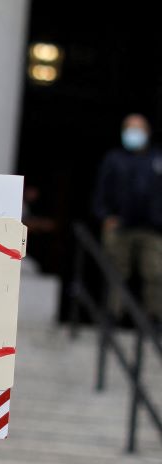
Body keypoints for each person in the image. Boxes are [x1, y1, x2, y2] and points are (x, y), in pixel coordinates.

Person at [92, 113, 162, 320]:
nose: (134, 133)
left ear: (147, 132)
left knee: (156, 272)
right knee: (116, 271)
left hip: (153, 228)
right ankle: (113, 315)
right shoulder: (114, 159)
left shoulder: (158, 158)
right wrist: (104, 216)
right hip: (120, 225)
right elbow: (101, 191)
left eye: (138, 128)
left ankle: (155, 317)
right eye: (129, 128)